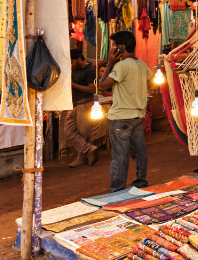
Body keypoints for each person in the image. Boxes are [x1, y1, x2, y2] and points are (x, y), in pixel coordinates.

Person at [98, 31, 151, 190]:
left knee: (120, 157)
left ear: (122, 47)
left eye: (114, 45)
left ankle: (117, 190)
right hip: (137, 116)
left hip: (120, 118)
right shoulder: (141, 64)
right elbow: (149, 82)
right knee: (140, 153)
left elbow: (102, 86)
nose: (112, 49)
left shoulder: (121, 66)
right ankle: (141, 183)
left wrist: (109, 63)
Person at [64, 48, 104, 168]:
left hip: (85, 104)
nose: (71, 65)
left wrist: (73, 85)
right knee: (68, 132)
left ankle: (82, 158)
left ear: (79, 59)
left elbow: (93, 89)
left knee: (85, 133)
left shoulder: (90, 70)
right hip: (73, 105)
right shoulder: (73, 69)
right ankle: (89, 150)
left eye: (72, 62)